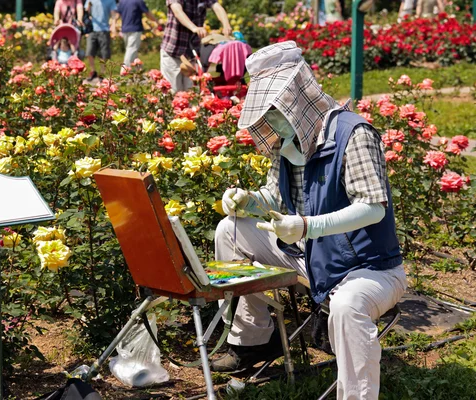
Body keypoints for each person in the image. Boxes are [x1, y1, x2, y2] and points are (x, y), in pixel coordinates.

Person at [211, 41, 407, 400]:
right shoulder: (287, 144)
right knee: (230, 230)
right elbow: (275, 196)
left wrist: (307, 226)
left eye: (276, 111)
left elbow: (373, 207)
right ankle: (253, 341)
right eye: (267, 113)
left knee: (348, 306)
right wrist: (248, 201)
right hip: (309, 257)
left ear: (298, 101)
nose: (271, 121)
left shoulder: (354, 135)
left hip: (368, 269)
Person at [160, 0, 232, 93]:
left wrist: (226, 25)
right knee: (172, 92)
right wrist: (194, 27)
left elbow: (217, 7)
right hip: (173, 51)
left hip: (192, 53)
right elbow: (177, 11)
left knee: (192, 93)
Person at [83, 0, 118, 81]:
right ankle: (93, 71)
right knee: (89, 52)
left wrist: (113, 26)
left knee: (104, 53)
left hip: (104, 30)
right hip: (92, 29)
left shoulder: (110, 1)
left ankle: (102, 73)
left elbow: (113, 14)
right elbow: (86, 12)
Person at [116, 0, 158, 67]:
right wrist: (156, 21)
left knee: (132, 51)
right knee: (131, 50)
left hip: (125, 29)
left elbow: (117, 15)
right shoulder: (139, 1)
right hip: (135, 29)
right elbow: (147, 13)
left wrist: (113, 24)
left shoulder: (122, 1)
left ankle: (138, 70)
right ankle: (124, 71)